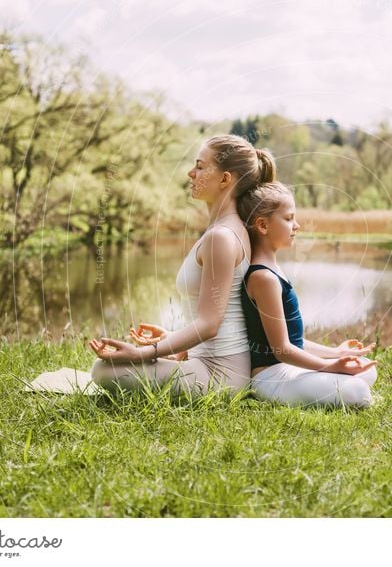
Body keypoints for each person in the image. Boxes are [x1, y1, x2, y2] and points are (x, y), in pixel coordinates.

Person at [87, 135, 276, 396]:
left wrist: (144, 353)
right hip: (210, 364)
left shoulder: (221, 237)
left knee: (103, 371)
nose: (191, 173)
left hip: (220, 375)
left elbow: (210, 324)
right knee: (107, 367)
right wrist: (170, 339)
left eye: (200, 166)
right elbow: (214, 315)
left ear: (225, 180)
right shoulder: (225, 230)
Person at [238, 182, 379, 409]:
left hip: (289, 368)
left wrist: (336, 353)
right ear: (263, 225)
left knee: (366, 368)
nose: (297, 225)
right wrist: (331, 366)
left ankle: (333, 379)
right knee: (358, 391)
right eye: (288, 218)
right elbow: (282, 350)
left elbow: (293, 341)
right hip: (271, 377)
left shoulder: (272, 271)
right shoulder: (263, 278)